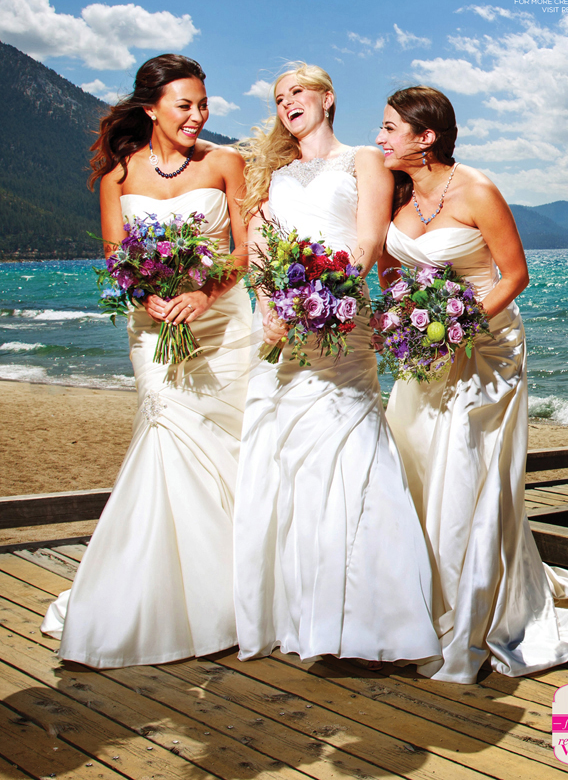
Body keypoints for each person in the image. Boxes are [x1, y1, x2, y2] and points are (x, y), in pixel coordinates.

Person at [376, 85, 568, 685]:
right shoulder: (395, 191)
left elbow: (514, 274)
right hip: (422, 354)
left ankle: (469, 613)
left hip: (484, 350)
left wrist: (458, 329)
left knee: (465, 472)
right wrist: (406, 320)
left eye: (390, 127)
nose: (381, 138)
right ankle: (417, 605)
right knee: (415, 466)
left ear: (426, 137)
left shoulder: (477, 190)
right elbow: (392, 271)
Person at [41, 54, 253, 667]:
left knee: (228, 445)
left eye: (203, 104)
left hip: (221, 326)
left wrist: (203, 292)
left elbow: (246, 249)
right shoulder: (118, 174)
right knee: (166, 433)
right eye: (185, 105)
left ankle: (234, 593)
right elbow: (117, 258)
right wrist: (146, 295)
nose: (197, 115)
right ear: (151, 108)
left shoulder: (225, 163)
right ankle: (163, 600)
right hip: (153, 330)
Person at [233, 63, 441, 664]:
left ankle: (378, 619)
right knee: (294, 464)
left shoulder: (364, 159)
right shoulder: (271, 175)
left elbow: (369, 241)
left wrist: (324, 296)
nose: (287, 103)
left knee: (354, 453)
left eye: (297, 92)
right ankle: (308, 617)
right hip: (284, 332)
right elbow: (259, 252)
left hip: (342, 320)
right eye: (279, 98)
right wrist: (272, 307)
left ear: (327, 99)